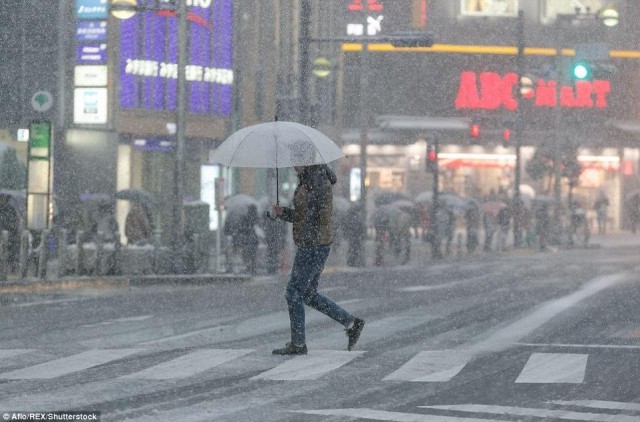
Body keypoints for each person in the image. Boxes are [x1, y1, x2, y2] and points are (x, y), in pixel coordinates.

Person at [271, 163, 365, 355]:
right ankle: (351, 323)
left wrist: (301, 224)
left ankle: (298, 343)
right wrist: (283, 213)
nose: (292, 166)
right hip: (313, 242)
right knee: (308, 294)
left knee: (294, 291)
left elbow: (313, 215)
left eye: (295, 161)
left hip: (313, 244)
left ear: (304, 161)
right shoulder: (309, 179)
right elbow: (303, 215)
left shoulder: (316, 180)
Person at [0, 194, 20, 271]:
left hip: (10, 233)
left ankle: (12, 265)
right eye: (1, 198)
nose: (3, 200)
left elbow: (14, 221)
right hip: (5, 232)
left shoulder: (11, 209)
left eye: (4, 199)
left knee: (11, 250)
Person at [344, 202, 366, 267]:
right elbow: (361, 226)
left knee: (352, 248)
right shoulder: (357, 217)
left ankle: (351, 261)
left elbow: (346, 226)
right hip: (356, 235)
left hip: (352, 235)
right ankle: (354, 261)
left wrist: (346, 233)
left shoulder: (349, 217)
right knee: (356, 248)